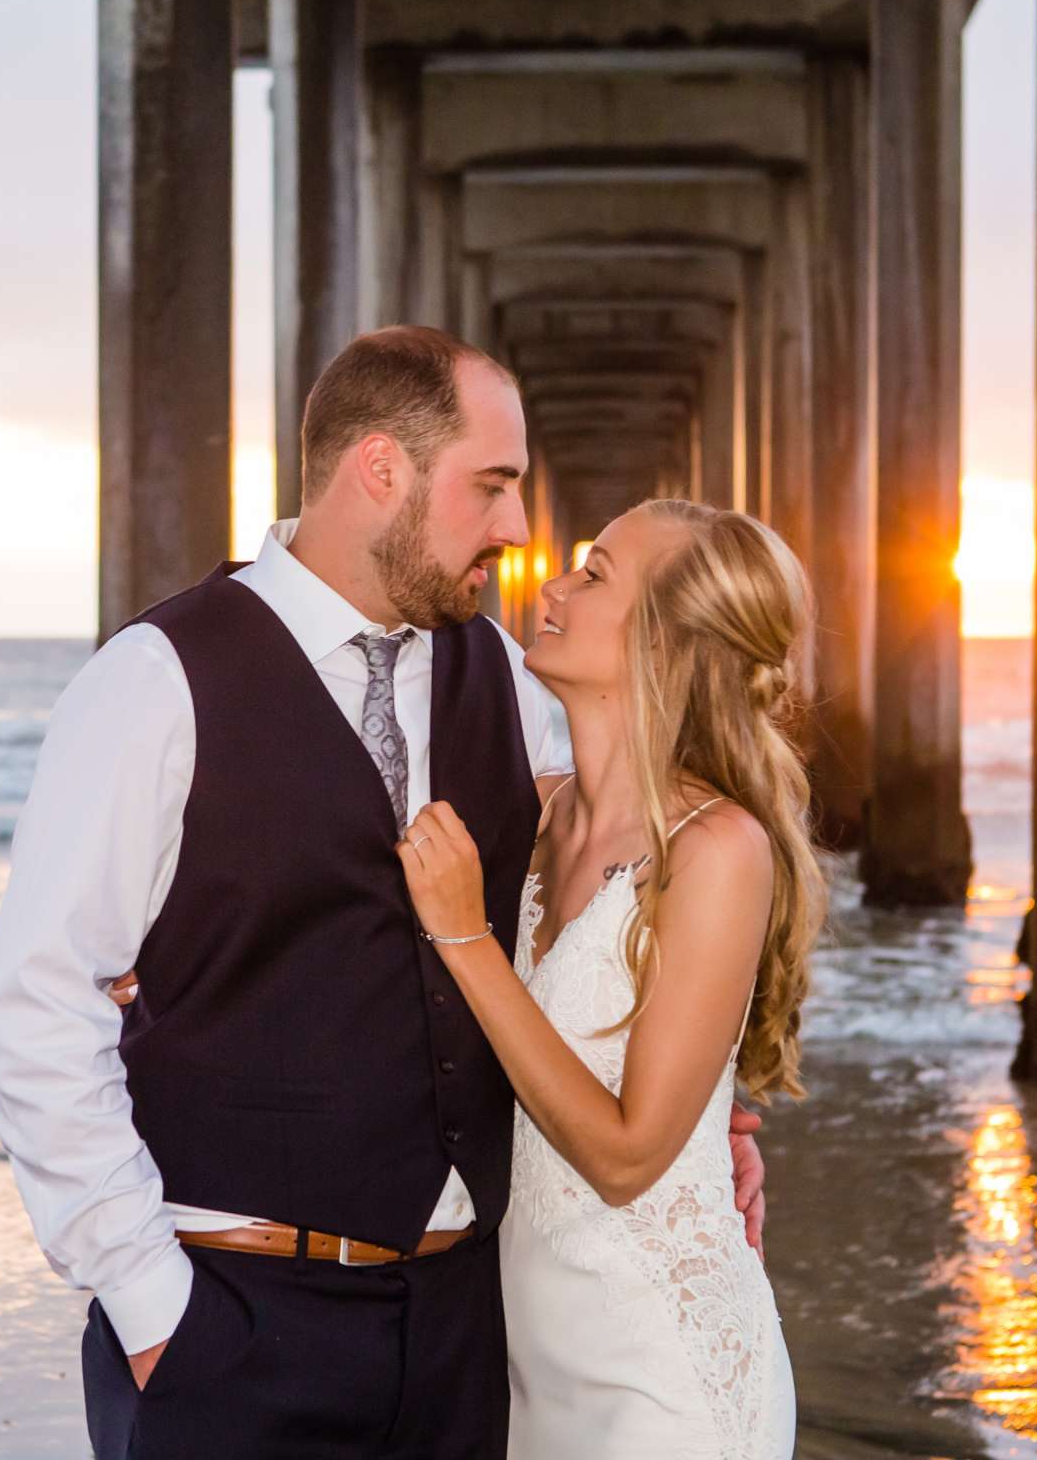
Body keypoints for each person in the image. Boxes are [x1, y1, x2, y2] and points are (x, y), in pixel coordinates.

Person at [0, 327, 764, 1459]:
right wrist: (154, 1310)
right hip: (233, 1325)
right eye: (492, 486)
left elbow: (632, 889)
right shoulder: (154, 684)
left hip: (466, 1338)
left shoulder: (501, 675)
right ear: (381, 468)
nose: (516, 529)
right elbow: (39, 1005)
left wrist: (710, 1117)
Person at [396, 498, 824, 1459]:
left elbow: (631, 1160)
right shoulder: (531, 821)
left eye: (593, 575)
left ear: (668, 641)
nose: (550, 586)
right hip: (526, 1368)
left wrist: (469, 940)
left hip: (658, 1378)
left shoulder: (717, 849)